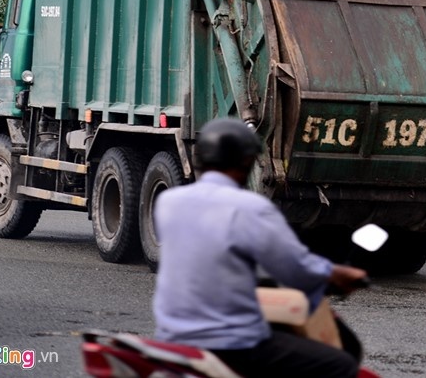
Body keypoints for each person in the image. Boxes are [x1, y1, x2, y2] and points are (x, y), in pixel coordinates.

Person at [152, 117, 367, 377]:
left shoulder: (169, 202)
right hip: (230, 343)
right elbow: (294, 268)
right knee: (340, 365)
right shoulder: (250, 208)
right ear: (246, 160)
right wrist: (334, 274)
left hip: (172, 336)